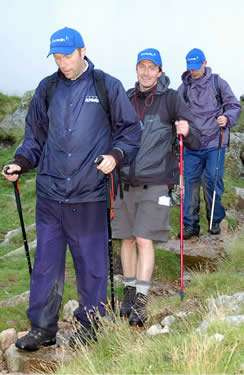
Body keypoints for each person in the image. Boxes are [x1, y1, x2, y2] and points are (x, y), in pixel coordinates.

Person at [2, 27, 141, 351]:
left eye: (67, 55)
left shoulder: (107, 86)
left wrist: (115, 155)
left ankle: (91, 325)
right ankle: (42, 328)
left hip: (89, 194)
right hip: (50, 195)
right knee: (46, 266)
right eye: (57, 57)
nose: (62, 62)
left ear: (82, 51)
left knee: (91, 267)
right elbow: (34, 137)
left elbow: (130, 130)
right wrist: (21, 162)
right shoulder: (47, 88)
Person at [111, 48, 201, 327]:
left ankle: (140, 299)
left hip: (157, 181)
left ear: (160, 72)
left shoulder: (172, 98)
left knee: (143, 239)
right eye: (142, 66)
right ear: (136, 69)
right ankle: (128, 292)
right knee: (125, 238)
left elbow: (195, 138)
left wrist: (188, 131)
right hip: (125, 181)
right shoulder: (125, 98)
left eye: (152, 67)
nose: (146, 72)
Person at [178, 48, 241, 239]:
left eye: (197, 67)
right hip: (192, 144)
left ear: (205, 63)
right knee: (190, 184)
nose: (194, 71)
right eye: (191, 68)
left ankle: (214, 220)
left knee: (212, 180)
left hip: (215, 141)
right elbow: (177, 112)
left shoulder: (218, 83)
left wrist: (227, 118)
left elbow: (234, 106)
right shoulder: (184, 89)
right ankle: (190, 226)